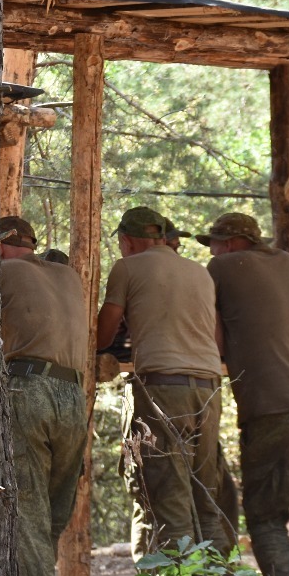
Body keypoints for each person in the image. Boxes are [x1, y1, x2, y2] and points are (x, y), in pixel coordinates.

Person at [95, 206, 232, 557]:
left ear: (127, 240)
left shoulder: (126, 267)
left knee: (169, 497)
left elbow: (102, 335)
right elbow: (217, 340)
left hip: (162, 388)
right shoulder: (199, 272)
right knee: (205, 495)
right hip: (209, 386)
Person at [199, 212, 289, 576]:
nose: (212, 251)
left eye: (215, 243)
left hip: (271, 408)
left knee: (265, 515)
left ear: (232, 243)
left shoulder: (222, 268)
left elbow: (214, 338)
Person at [0, 216, 87, 576]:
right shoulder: (67, 275)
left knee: (28, 511)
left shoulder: (3, 272)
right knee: (53, 512)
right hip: (73, 396)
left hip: (28, 389)